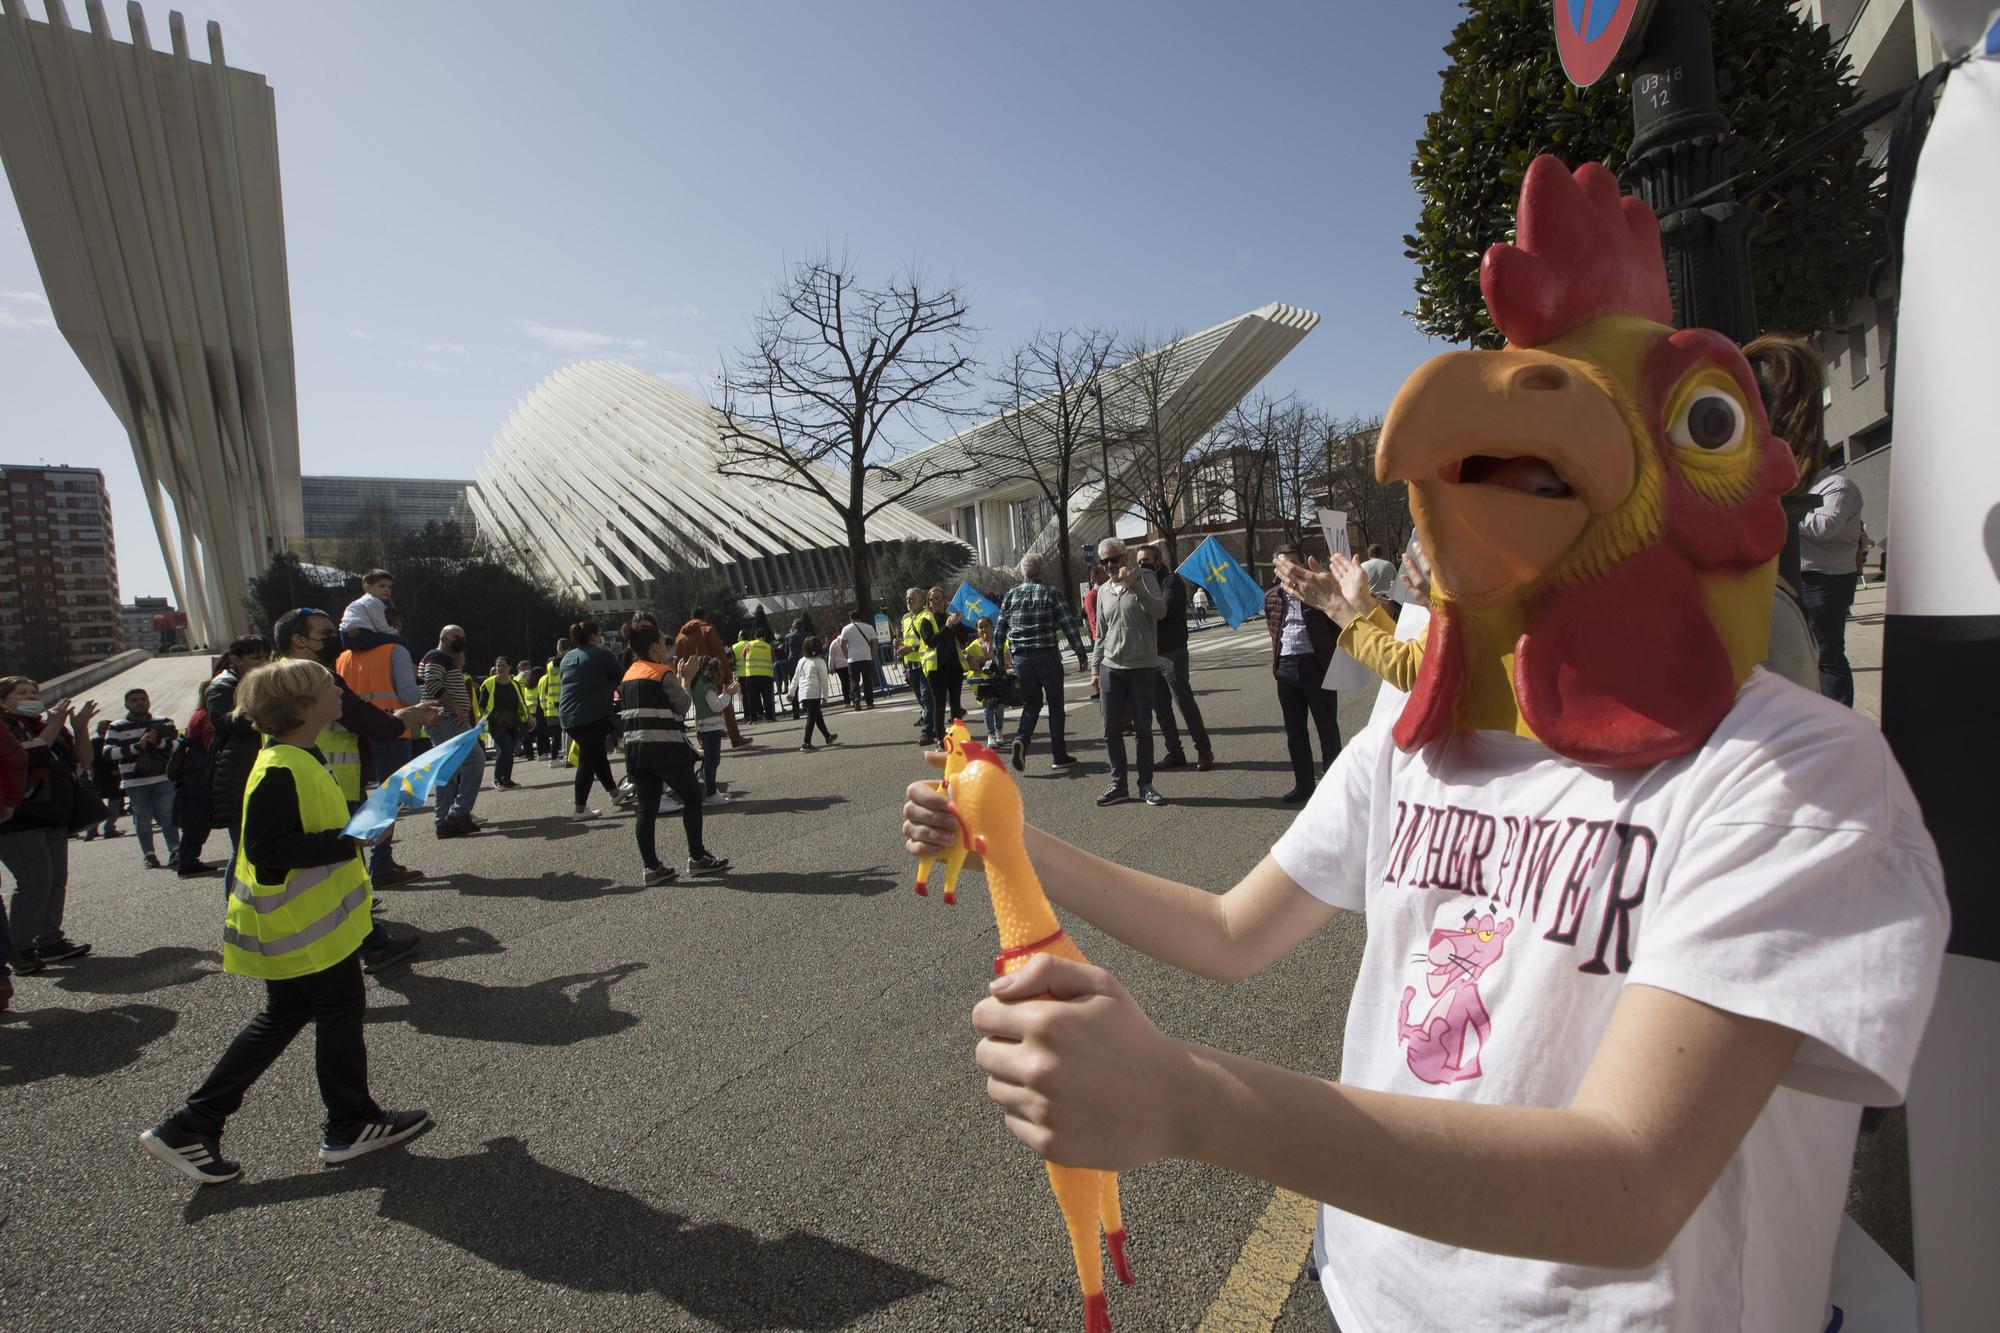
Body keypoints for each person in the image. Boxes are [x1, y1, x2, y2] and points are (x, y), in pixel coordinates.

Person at [138, 658, 432, 1185]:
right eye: (327, 687)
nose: (338, 691)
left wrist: (358, 826)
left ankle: (194, 1122)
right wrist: (353, 839)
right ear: (301, 707)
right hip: (304, 924)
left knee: (286, 1014)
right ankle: (350, 1123)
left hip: (299, 923)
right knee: (338, 1009)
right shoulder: (282, 766)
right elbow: (271, 850)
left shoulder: (294, 754)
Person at [273, 609, 431, 971]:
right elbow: (357, 713)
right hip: (328, 780)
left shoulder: (274, 674)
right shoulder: (313, 677)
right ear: (299, 639)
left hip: (309, 776)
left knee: (331, 866)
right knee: (343, 864)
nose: (335, 639)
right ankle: (368, 944)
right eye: (325, 633)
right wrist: (403, 719)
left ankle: (360, 940)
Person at [1, 678, 96, 974]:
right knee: (35, 879)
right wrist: (53, 724)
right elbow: (28, 755)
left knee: (55, 879)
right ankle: (20, 947)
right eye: (22, 693)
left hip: (53, 813)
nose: (31, 697)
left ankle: (49, 939)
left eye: (34, 692)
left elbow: (84, 759)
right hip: (18, 816)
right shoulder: (6, 725)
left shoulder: (41, 722)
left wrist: (79, 728)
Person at [619, 625, 728, 884]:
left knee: (646, 808)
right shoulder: (661, 673)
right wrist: (686, 679)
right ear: (654, 648)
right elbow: (682, 707)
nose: (669, 649)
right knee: (692, 796)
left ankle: (651, 867)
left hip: (636, 750)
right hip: (664, 748)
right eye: (664, 644)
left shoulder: (628, 676)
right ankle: (697, 857)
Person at [334, 610, 430, 887]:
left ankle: (359, 872)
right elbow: (410, 695)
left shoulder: (342, 657)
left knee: (359, 801)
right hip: (392, 728)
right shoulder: (394, 650)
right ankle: (382, 863)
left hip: (356, 735)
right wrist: (417, 683)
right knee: (388, 799)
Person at [1089, 539, 1167, 807]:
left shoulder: (1145, 578)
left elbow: (1160, 610)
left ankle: (1146, 784)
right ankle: (1118, 785)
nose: (1110, 566)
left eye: (1114, 559)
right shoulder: (1102, 591)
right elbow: (1101, 633)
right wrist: (1095, 667)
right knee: (1111, 730)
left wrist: (1133, 584)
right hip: (1111, 667)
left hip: (1142, 665)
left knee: (1143, 730)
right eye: (1104, 561)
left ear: (1127, 557)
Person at [995, 552, 1091, 773]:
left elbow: (1000, 630)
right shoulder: (1051, 593)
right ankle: (1059, 754)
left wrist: (1000, 659)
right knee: (1056, 704)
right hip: (1046, 653)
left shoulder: (1010, 595)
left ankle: (1022, 739)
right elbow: (1068, 625)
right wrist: (1081, 653)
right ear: (1042, 570)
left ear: (1023, 572)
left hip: (1021, 657)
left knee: (1032, 703)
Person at [1263, 543, 1341, 804]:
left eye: (1292, 563)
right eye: (1283, 564)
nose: (1288, 569)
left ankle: (1334, 786)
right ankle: (1304, 784)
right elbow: (1274, 631)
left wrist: (1333, 659)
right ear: (1276, 567)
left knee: (1327, 728)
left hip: (1316, 667)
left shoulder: (1317, 591)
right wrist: (1277, 667)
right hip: (1286, 669)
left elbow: (1335, 627)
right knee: (1295, 732)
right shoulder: (1272, 597)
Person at [1136, 544, 1214, 772]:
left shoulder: (1171, 581)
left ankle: (1203, 749)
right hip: (1151, 653)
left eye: (1146, 561)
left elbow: (1166, 609)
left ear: (1157, 562)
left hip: (1172, 651)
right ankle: (1174, 750)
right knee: (1159, 705)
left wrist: (1143, 599)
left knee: (1183, 701)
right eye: (1139, 563)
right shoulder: (1139, 584)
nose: (1142, 566)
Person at [206, 636, 274, 865]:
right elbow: (224, 720)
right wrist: (268, 713)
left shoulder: (266, 682)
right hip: (237, 769)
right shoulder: (222, 685)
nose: (263, 663)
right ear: (235, 659)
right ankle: (234, 900)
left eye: (267, 657)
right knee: (243, 851)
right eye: (256, 658)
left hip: (262, 763)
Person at [103, 688, 182, 870]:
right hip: (135, 780)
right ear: (126, 704)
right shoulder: (117, 726)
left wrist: (159, 742)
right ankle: (149, 854)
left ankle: (175, 850)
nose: (139, 703)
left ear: (149, 702)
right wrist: (137, 747)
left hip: (162, 776)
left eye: (142, 699)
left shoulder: (162, 721)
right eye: (134, 700)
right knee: (143, 817)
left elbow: (178, 744)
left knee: (167, 813)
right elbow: (108, 753)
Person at [418, 625, 485, 839]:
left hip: (448, 718)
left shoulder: (443, 659)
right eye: (456, 637)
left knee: (448, 770)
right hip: (447, 718)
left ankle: (444, 820)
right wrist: (456, 707)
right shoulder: (437, 657)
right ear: (443, 637)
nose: (460, 641)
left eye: (463, 638)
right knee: (474, 759)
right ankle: (458, 813)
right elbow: (431, 682)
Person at [560, 620, 626, 819]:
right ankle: (580, 809)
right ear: (594, 636)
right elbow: (622, 677)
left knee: (596, 756)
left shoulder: (568, 657)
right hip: (591, 714)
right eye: (600, 633)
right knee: (588, 760)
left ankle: (615, 793)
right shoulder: (601, 655)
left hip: (568, 715)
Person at [674, 608, 749, 748]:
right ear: (704, 616)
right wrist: (726, 675)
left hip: (691, 676)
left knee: (699, 707)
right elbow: (718, 653)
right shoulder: (707, 630)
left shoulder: (681, 636)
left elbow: (678, 658)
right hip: (710, 673)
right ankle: (735, 738)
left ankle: (702, 741)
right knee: (726, 704)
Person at [170, 683, 221, 879]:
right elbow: (211, 745)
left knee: (195, 821)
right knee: (197, 820)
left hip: (193, 773)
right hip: (200, 775)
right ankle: (188, 860)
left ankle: (189, 859)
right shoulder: (206, 717)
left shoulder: (197, 714)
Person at [916, 586, 975, 748]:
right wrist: (947, 627)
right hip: (936, 668)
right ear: (928, 602)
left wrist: (958, 623)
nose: (937, 601)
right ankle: (941, 740)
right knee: (939, 704)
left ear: (945, 600)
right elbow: (931, 641)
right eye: (934, 598)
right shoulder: (925, 620)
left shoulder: (951, 616)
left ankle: (958, 737)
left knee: (956, 704)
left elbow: (963, 638)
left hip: (954, 666)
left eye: (940, 597)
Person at [478, 656, 534, 789]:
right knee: (505, 749)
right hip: (495, 722)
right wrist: (482, 721)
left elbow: (522, 702)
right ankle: (498, 779)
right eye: (498, 666)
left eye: (503, 666)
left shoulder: (514, 684)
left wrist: (530, 717)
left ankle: (507, 780)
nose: (500, 668)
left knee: (509, 751)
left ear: (509, 667)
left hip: (513, 721)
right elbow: (481, 705)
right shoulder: (488, 683)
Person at [686, 655, 733, 803]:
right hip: (711, 727)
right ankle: (711, 793)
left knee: (709, 760)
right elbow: (716, 706)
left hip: (704, 726)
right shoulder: (706, 685)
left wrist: (724, 695)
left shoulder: (698, 684)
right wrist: (728, 695)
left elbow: (711, 703)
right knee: (713, 760)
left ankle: (711, 791)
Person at [337, 569, 409, 653]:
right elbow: (381, 626)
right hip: (363, 636)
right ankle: (410, 664)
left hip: (345, 638)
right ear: (368, 587)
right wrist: (395, 633)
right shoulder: (373, 601)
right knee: (402, 641)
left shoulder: (358, 602)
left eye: (389, 587)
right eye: (382, 586)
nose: (387, 590)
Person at [965, 616, 1009, 746]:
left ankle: (999, 731)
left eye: (986, 626)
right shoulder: (973, 646)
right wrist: (975, 660)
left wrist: (995, 660)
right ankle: (990, 734)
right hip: (982, 683)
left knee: (1000, 707)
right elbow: (968, 662)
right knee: (988, 708)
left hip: (998, 679)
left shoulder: (999, 642)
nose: (983, 629)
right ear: (977, 630)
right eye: (980, 627)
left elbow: (1007, 660)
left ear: (992, 627)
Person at [789, 638, 837, 751]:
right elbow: (824, 680)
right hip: (814, 693)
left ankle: (827, 736)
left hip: (803, 694)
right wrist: (825, 696)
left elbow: (795, 678)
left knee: (817, 716)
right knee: (811, 718)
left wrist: (791, 692)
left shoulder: (801, 661)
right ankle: (806, 742)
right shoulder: (820, 662)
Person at [895, 588, 931, 738]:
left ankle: (928, 731)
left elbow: (926, 641)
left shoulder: (927, 616)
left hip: (925, 663)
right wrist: (900, 644)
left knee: (926, 698)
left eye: (912, 598)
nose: (909, 601)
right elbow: (908, 639)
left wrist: (910, 648)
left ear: (922, 601)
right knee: (921, 699)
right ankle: (932, 723)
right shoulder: (905, 618)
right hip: (910, 664)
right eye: (907, 599)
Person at [86, 719, 124, 839]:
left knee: (97, 807)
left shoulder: (92, 743)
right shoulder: (113, 743)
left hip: (97, 777)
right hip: (113, 777)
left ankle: (91, 831)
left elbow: (88, 762)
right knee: (115, 803)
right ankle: (109, 828)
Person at [838, 609, 880, 709]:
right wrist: (873, 652)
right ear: (860, 617)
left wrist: (846, 655)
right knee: (867, 680)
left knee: (854, 680)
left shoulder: (846, 629)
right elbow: (875, 641)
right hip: (866, 657)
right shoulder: (869, 627)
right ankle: (869, 702)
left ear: (851, 618)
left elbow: (842, 644)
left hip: (853, 658)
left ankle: (856, 698)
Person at [541, 637, 571, 768]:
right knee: (568, 730)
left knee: (562, 731)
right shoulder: (568, 661)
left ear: (557, 648)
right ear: (568, 648)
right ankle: (568, 756)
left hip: (555, 701)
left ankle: (565, 754)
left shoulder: (550, 664)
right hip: (567, 697)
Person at [828, 631, 852, 708]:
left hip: (839, 667)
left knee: (844, 683)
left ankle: (847, 701)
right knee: (851, 681)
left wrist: (831, 668)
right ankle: (853, 699)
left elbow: (831, 657)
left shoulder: (834, 643)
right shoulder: (848, 641)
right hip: (848, 663)